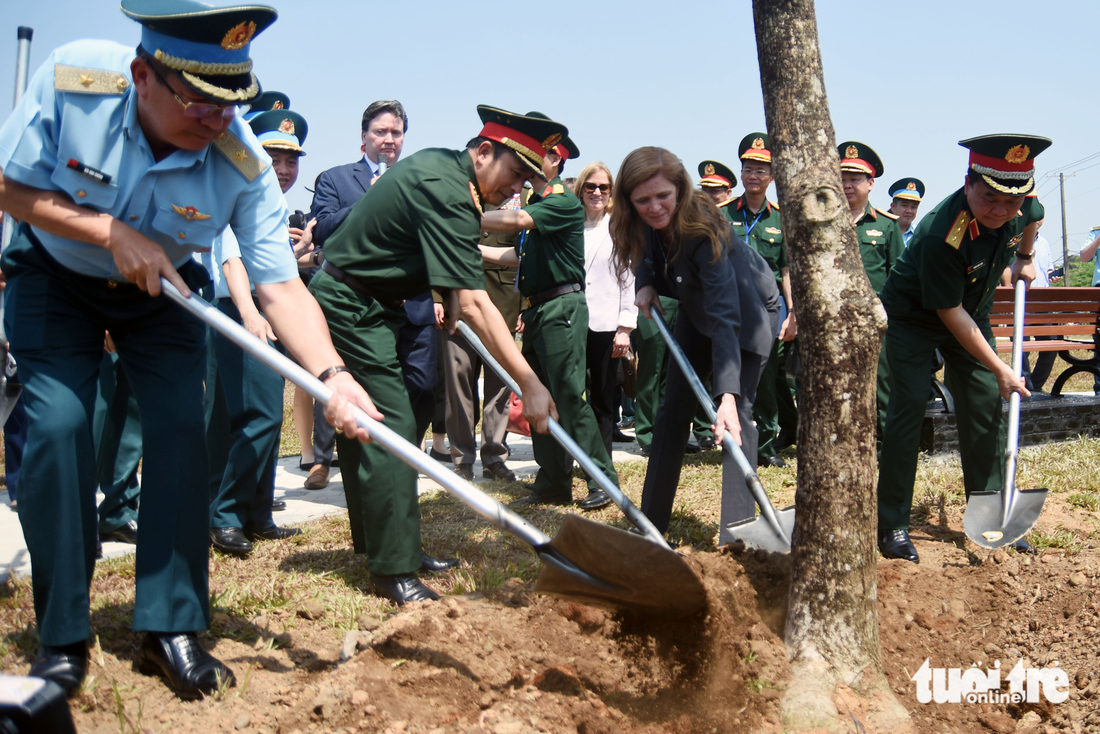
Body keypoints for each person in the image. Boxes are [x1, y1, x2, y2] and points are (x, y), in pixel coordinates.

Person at [0, 0, 376, 699]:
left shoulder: (242, 161)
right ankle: (61, 638)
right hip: (53, 272)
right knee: (58, 426)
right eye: (199, 103)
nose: (218, 121)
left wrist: (333, 375)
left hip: (164, 290)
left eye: (231, 103)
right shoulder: (75, 83)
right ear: (144, 75)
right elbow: (10, 186)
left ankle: (169, 625)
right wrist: (105, 231)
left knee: (180, 431)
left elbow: (281, 288)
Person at [309, 104, 557, 605]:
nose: (519, 189)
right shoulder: (446, 187)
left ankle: (383, 543)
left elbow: (453, 289)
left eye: (529, 180)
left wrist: (452, 304)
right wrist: (529, 382)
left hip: (382, 304)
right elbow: (473, 301)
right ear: (484, 152)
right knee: (391, 423)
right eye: (516, 174)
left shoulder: (453, 178)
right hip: (350, 301)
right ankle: (392, 568)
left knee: (370, 424)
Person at [876, 134, 1051, 563]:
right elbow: (948, 313)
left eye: (1010, 203)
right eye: (989, 198)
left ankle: (989, 510)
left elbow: (1034, 214)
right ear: (968, 182)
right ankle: (893, 523)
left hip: (972, 309)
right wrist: (1002, 367)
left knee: (984, 401)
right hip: (916, 318)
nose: (1001, 211)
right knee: (909, 408)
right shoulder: (943, 234)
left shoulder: (1021, 204)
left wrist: (1024, 256)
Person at [610, 147, 780, 543]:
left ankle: (739, 536)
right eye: (643, 200)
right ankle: (652, 525)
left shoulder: (705, 228)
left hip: (746, 315)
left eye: (662, 197)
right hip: (695, 309)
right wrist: (645, 282)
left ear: (680, 190)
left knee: (735, 420)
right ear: (629, 202)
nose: (654, 207)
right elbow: (648, 257)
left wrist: (727, 395)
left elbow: (725, 316)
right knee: (672, 413)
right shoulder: (644, 223)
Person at [478, 113, 616, 512]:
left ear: (556, 161)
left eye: (540, 153)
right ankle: (553, 480)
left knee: (570, 396)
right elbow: (515, 255)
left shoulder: (559, 201)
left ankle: (601, 479)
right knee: (539, 396)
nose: (530, 160)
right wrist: (475, 250)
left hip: (561, 308)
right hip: (538, 309)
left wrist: (462, 214)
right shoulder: (538, 203)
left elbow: (518, 220)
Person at [308, 100, 440, 490]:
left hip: (414, 306)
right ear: (363, 138)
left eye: (396, 133)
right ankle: (356, 468)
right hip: (358, 307)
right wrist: (373, 197)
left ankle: (400, 458)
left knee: (420, 386)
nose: (388, 139)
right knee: (354, 388)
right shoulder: (335, 179)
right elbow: (322, 229)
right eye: (380, 132)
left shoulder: (419, 183)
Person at [207, 107, 311, 555]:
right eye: (273, 157)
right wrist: (250, 314)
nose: (284, 170)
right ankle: (225, 514)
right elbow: (231, 258)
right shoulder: (238, 190)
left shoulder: (276, 203)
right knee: (258, 415)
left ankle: (257, 512)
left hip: (265, 311)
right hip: (239, 310)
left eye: (292, 161)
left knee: (254, 413)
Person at [722, 133, 797, 468]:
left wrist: (792, 312)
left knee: (766, 379)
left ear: (773, 176)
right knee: (727, 374)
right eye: (748, 168)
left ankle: (765, 445)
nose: (753, 174)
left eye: (761, 169)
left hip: (768, 311)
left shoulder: (781, 218)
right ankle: (729, 440)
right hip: (729, 308)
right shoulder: (723, 214)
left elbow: (787, 271)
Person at [442, 191, 526, 481]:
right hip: (458, 306)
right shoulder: (459, 194)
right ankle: (462, 459)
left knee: (500, 387)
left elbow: (528, 256)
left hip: (503, 306)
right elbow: (438, 249)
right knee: (458, 382)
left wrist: (525, 307)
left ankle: (494, 456)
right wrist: (438, 298)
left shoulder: (524, 198)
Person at [838, 141, 905, 452]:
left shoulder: (887, 226)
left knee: (881, 383)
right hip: (835, 316)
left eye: (855, 178)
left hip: (876, 317)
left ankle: (883, 443)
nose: (848, 184)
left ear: (870, 183)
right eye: (843, 177)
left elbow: (898, 275)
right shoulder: (825, 222)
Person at [577, 161, 637, 457]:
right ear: (581, 189)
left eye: (604, 187)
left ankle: (601, 462)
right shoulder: (569, 225)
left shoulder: (618, 228)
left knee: (603, 398)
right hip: (571, 324)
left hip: (606, 325)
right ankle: (572, 457)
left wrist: (625, 327)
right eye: (591, 186)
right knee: (570, 396)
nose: (597, 192)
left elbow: (628, 280)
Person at [888, 177, 925, 245]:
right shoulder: (882, 232)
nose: (909, 211)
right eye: (905, 205)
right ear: (893, 207)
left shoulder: (921, 235)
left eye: (914, 207)